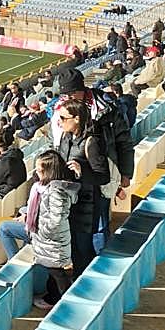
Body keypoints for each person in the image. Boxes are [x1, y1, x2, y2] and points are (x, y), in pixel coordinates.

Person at [54, 100, 104, 275]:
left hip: (87, 204)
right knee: (73, 247)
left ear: (76, 119)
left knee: (83, 248)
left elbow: (103, 176)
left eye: (63, 117)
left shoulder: (91, 141)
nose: (59, 121)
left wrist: (82, 171)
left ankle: (86, 282)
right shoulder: (65, 137)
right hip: (69, 202)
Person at [27, 150, 80, 309]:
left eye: (40, 170)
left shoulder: (56, 190)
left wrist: (43, 232)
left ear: (49, 171)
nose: (36, 172)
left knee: (57, 273)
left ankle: (63, 302)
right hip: (49, 241)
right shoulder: (46, 187)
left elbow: (56, 219)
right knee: (54, 271)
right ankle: (53, 297)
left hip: (52, 240)